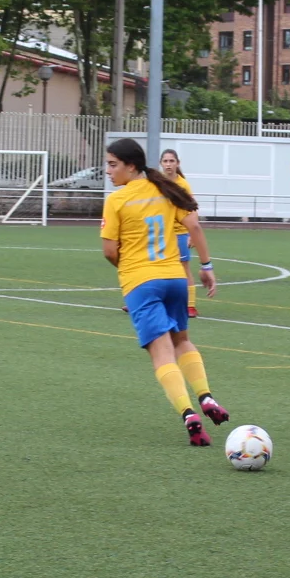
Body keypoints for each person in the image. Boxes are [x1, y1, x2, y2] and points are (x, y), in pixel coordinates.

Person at [99, 137, 228, 445]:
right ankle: (206, 396)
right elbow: (194, 227)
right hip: (175, 279)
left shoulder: (117, 200)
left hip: (141, 282)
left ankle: (189, 414)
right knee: (182, 341)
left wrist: (130, 268)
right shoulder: (166, 190)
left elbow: (109, 251)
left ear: (131, 166)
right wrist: (206, 266)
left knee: (161, 352)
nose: (108, 170)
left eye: (113, 164)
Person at [160, 149, 203, 315]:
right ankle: (146, 300)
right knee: (154, 267)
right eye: (165, 161)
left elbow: (192, 208)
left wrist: (192, 234)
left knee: (184, 268)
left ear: (177, 163)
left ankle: (190, 305)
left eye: (171, 161)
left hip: (179, 233)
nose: (168, 164)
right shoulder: (156, 182)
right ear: (161, 163)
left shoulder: (183, 184)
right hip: (161, 233)